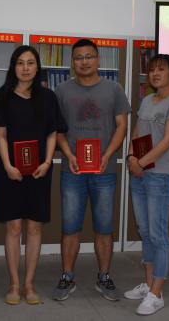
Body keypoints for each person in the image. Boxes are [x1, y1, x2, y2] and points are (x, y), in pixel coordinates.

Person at [53, 38, 130, 302]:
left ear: (97, 59)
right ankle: (67, 275)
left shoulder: (114, 89)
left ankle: (104, 276)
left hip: (104, 171)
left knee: (104, 228)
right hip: (72, 170)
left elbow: (122, 126)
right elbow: (58, 129)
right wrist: (69, 154)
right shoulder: (62, 91)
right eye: (78, 58)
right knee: (70, 226)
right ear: (72, 62)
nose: (84, 62)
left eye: (88, 57)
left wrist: (108, 155)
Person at [0, 46, 66, 305]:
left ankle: (29, 284)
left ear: (37, 67)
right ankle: (14, 284)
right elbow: (0, 134)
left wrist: (47, 162)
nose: (25, 68)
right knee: (13, 227)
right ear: (13, 67)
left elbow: (52, 133)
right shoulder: (3, 96)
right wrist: (7, 165)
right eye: (20, 63)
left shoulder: (48, 97)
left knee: (34, 227)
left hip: (39, 170)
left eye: (30, 63)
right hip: (9, 170)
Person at [124, 53, 169, 316]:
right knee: (145, 231)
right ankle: (149, 284)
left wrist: (141, 162)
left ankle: (157, 294)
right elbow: (137, 132)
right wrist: (131, 157)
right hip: (139, 174)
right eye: (151, 70)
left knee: (159, 235)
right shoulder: (147, 100)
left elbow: (168, 140)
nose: (155, 74)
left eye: (161, 69)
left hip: (158, 177)